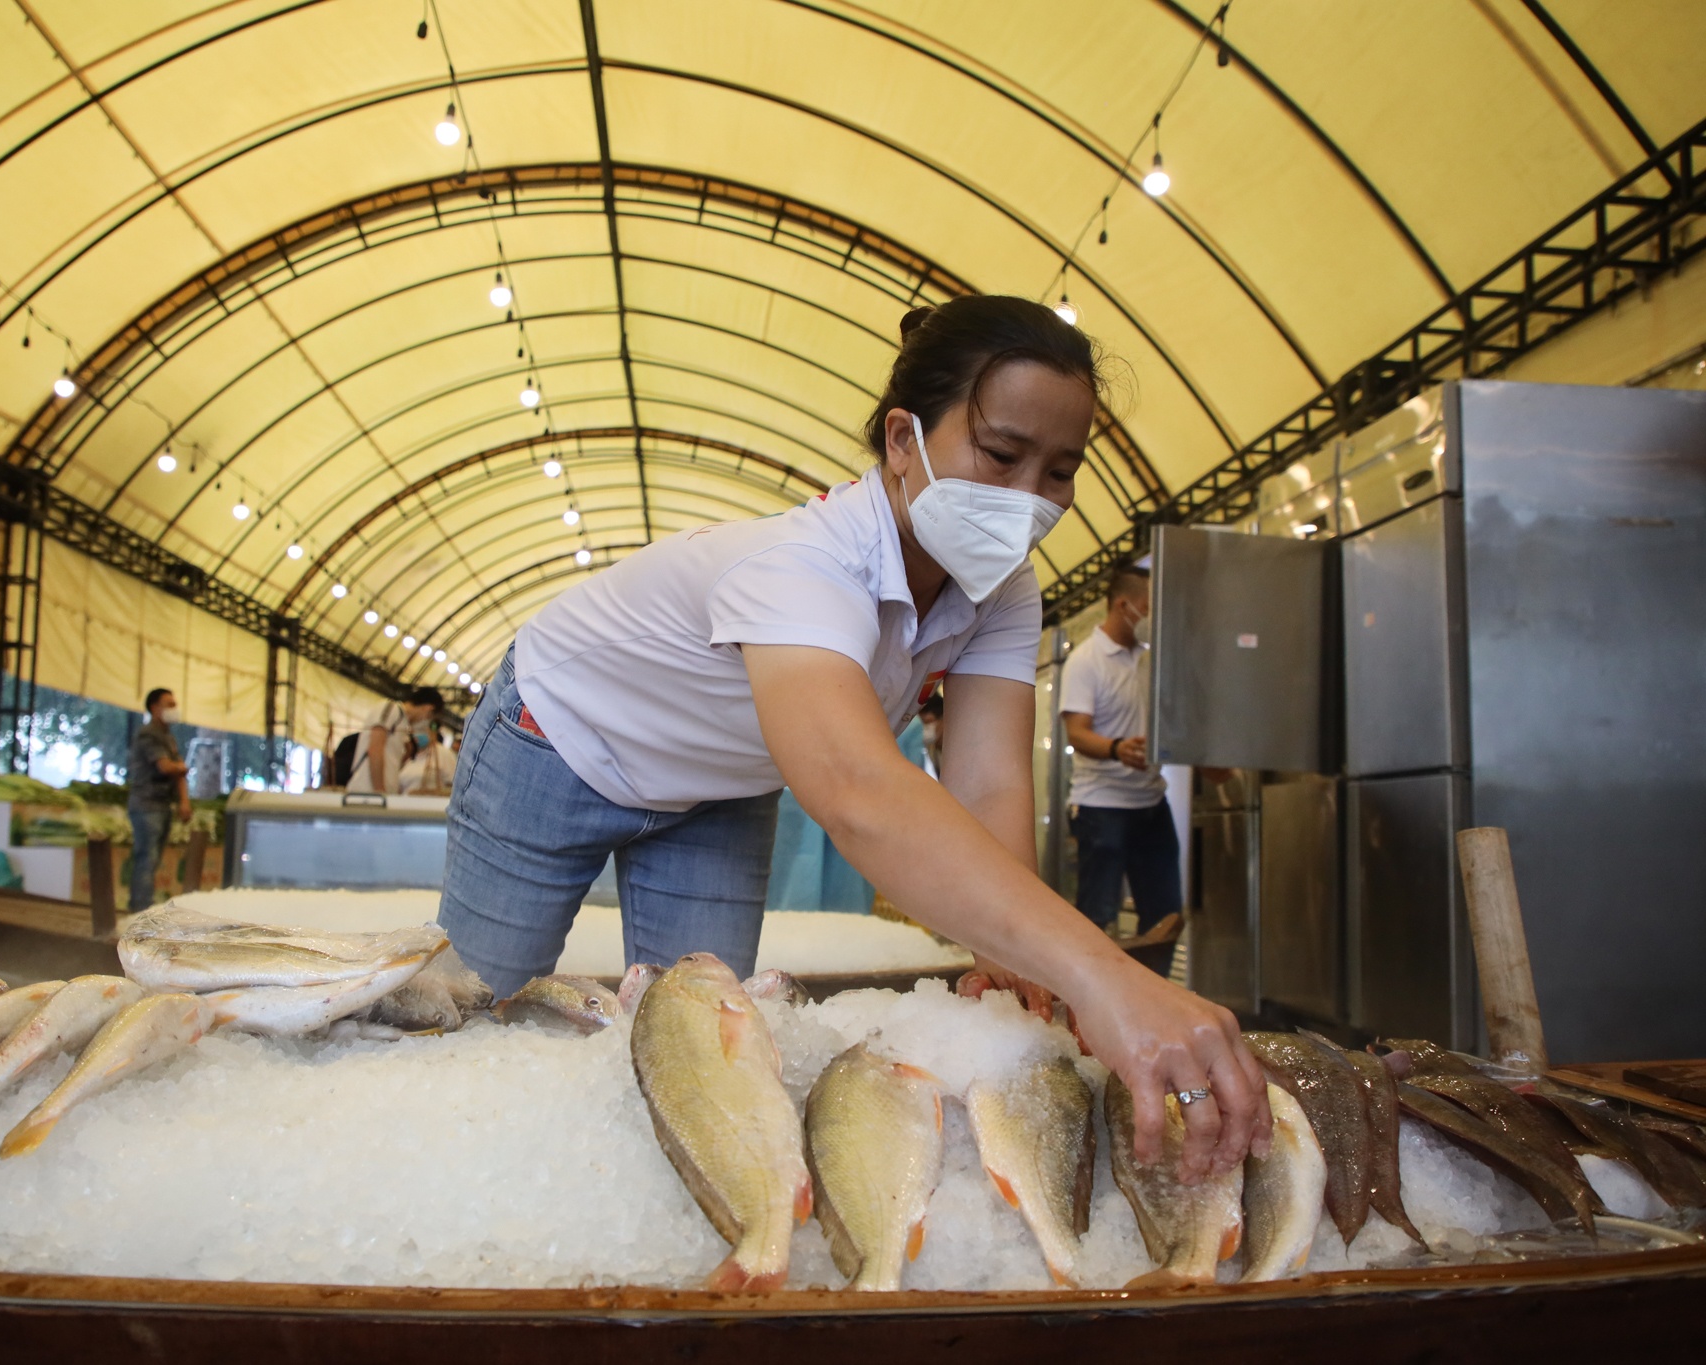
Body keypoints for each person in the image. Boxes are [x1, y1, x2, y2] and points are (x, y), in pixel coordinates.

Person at [437, 295, 1267, 1178]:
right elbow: (858, 791)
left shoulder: (1001, 590)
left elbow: (987, 783)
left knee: (707, 1036)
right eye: (1000, 453)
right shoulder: (805, 565)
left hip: (715, 786)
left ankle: (644, 1218)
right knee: (479, 1007)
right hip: (557, 739)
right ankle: (462, 1182)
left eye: (1060, 470)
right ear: (904, 441)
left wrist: (1009, 951)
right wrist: (1105, 975)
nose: (1028, 500)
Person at [1060, 567, 1180, 938]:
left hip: (1152, 803)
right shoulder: (1085, 660)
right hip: (1101, 807)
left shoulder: (1151, 659)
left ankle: (1151, 994)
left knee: (1166, 916)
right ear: (1123, 605)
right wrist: (1116, 749)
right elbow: (1077, 733)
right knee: (1097, 917)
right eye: (1147, 607)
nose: (1151, 617)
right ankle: (1088, 996)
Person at [127, 687, 189, 910]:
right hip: (146, 805)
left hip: (161, 806)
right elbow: (166, 767)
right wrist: (180, 767)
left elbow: (178, 771)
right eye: (169, 704)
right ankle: (140, 908)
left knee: (152, 859)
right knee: (147, 858)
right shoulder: (148, 734)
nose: (175, 709)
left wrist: (184, 801)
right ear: (154, 707)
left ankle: (143, 905)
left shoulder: (168, 738)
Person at [336, 687, 444, 794]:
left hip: (384, 792)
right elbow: (375, 749)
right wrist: (379, 789)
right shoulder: (391, 708)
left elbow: (396, 760)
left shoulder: (404, 724)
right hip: (367, 790)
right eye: (429, 716)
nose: (425, 720)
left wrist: (409, 750)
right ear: (428, 708)